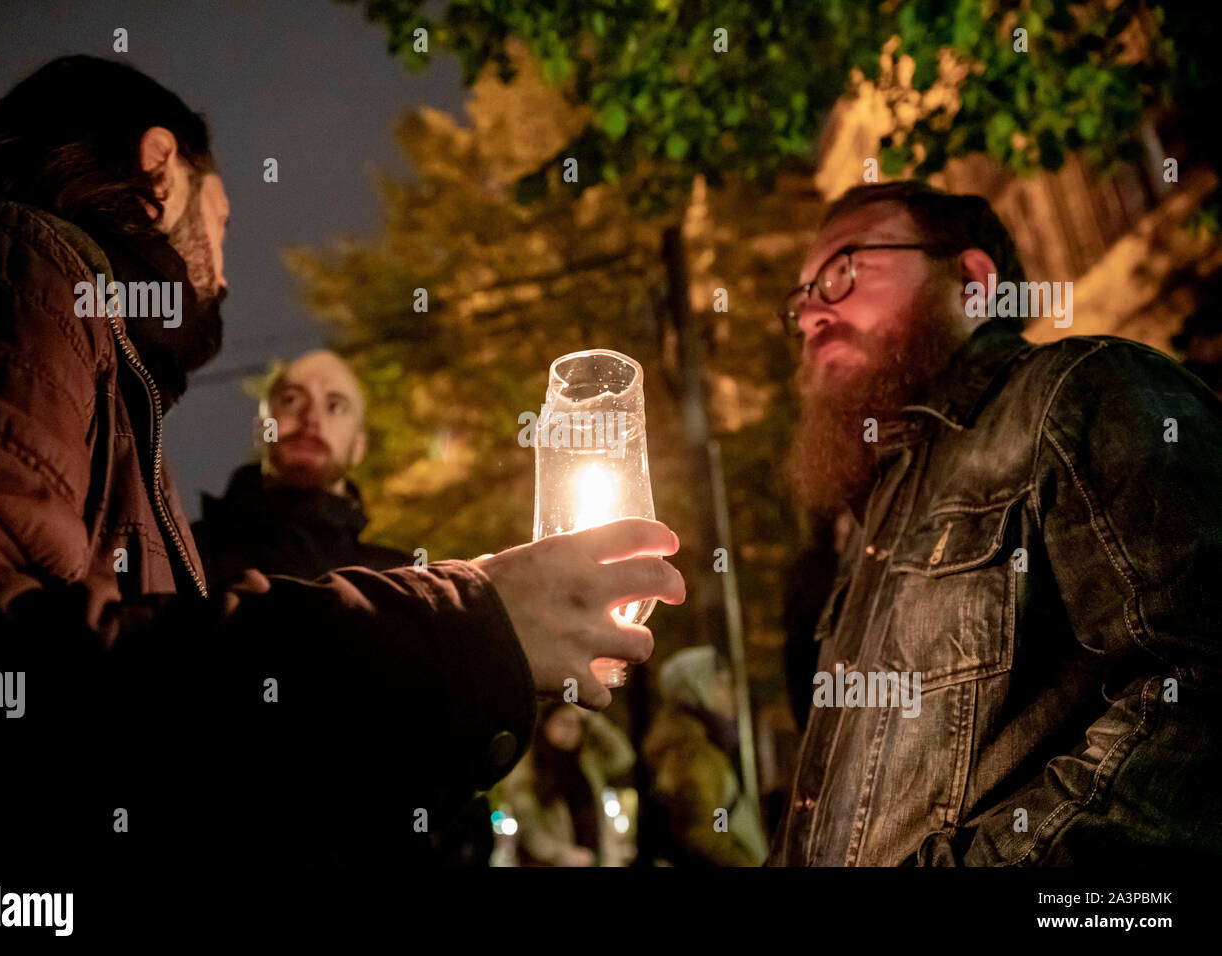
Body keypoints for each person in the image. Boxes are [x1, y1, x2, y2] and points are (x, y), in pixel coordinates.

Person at [0, 55, 684, 889]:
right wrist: (463, 634)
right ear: (158, 165)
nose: (225, 266)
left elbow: (172, 746)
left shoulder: (103, 368)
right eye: (222, 221)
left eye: (338, 404)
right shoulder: (15, 276)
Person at [769, 180, 1222, 866]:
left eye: (842, 273)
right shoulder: (874, 527)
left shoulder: (1079, 392)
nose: (812, 317)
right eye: (802, 299)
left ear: (974, 282)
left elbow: (1197, 688)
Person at [194, 351, 411, 590]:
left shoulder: (400, 584)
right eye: (291, 400)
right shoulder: (181, 557)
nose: (311, 419)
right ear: (262, 429)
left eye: (336, 407)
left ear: (358, 447)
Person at [642, 646, 768, 866]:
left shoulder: (698, 740)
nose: (731, 693)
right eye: (721, 684)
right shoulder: (692, 750)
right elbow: (700, 834)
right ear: (696, 688)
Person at [503, 701, 635, 866]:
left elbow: (623, 756)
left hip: (594, 858)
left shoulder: (586, 764)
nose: (570, 731)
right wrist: (563, 855)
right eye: (563, 722)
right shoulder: (528, 770)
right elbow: (530, 831)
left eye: (576, 725)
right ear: (546, 724)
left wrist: (591, 718)